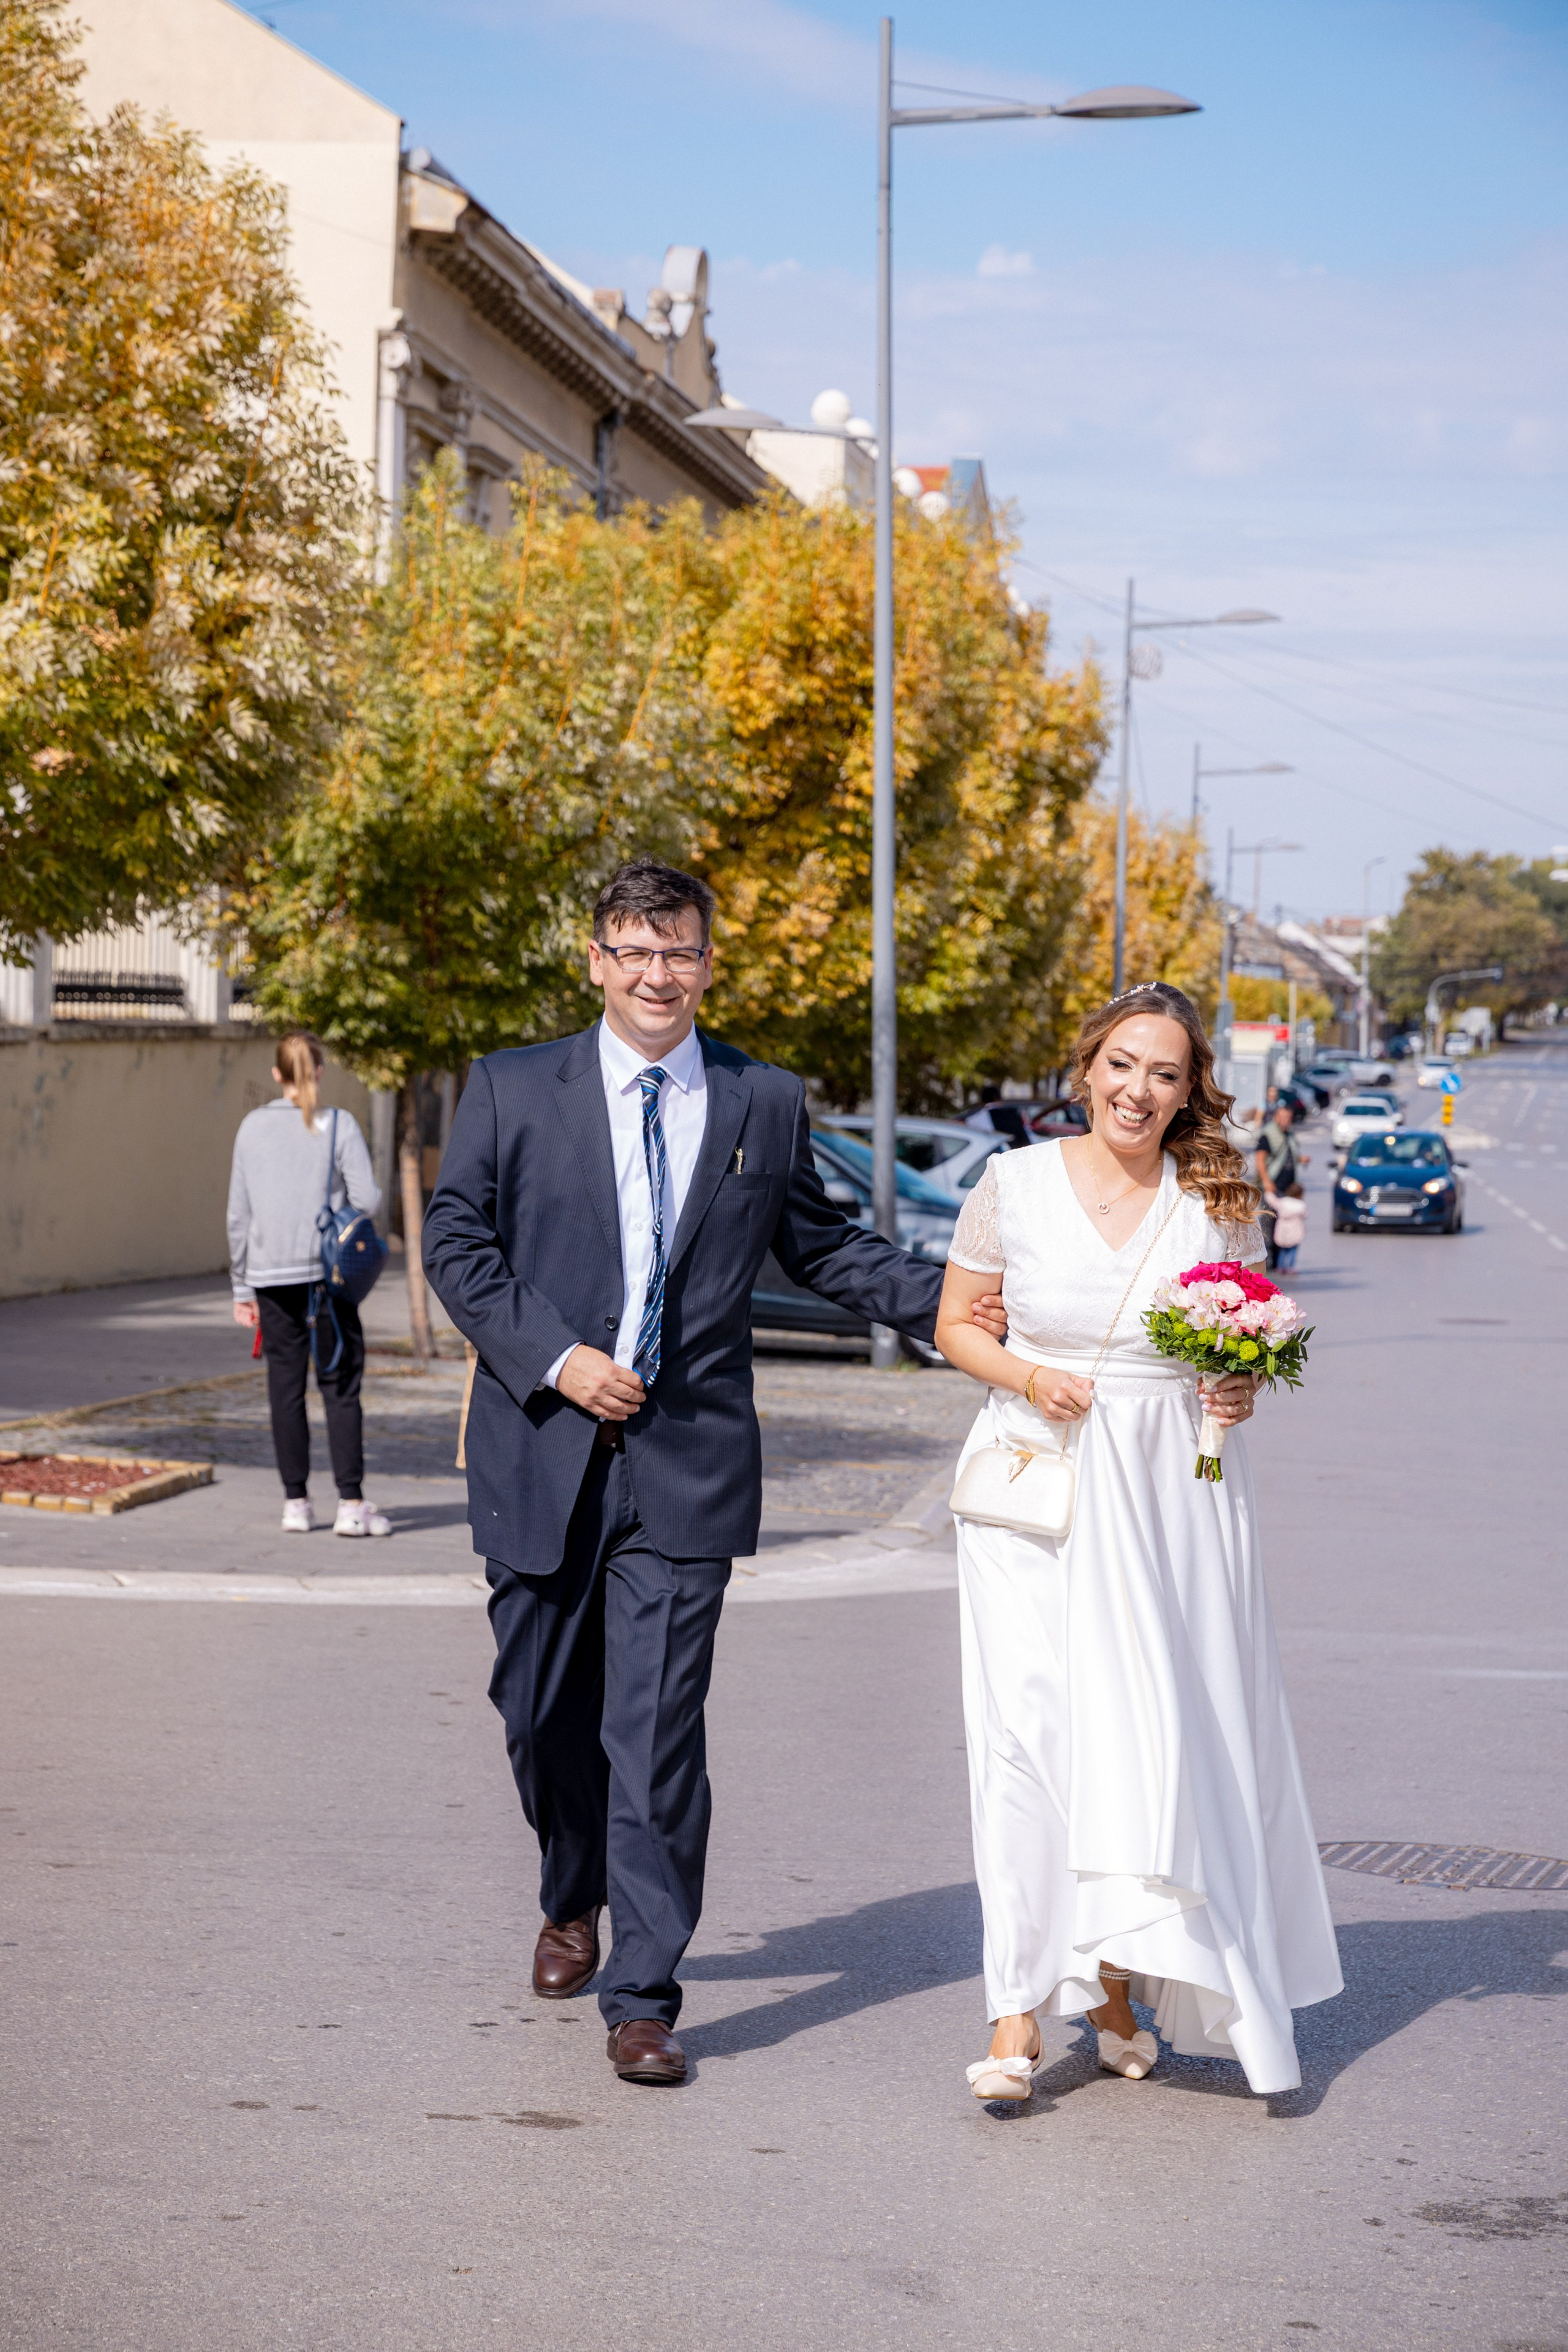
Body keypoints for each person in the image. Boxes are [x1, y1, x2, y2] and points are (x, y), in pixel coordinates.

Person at [422, 858, 982, 2088]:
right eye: (634, 950)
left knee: (657, 1734)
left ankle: (642, 1994)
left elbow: (825, 1247)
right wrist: (557, 1358)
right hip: (541, 1448)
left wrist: (967, 1304)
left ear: (708, 964)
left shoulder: (759, 1099)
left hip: (686, 1466)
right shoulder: (511, 1088)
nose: (657, 973)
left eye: (678, 950)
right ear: (596, 963)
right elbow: (456, 1241)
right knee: (538, 1717)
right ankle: (569, 1889)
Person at [934, 981, 1341, 2103]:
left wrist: (1238, 1384)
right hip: (1036, 1488)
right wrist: (1032, 1377)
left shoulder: (1217, 1198)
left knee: (1145, 1744)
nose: (1138, 1089)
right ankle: (1016, 2009)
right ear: (1087, 1069)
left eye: (1164, 1073)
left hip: (1173, 1494)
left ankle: (1114, 1984)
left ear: (1189, 1088)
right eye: (1122, 1064)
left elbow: (1238, 1341)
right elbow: (956, 1324)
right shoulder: (1012, 1183)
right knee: (1025, 1738)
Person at [228, 1034, 390, 1537]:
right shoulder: (339, 1124)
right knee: (340, 1387)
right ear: (319, 1071)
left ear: (277, 1074)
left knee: (285, 1388)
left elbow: (238, 1214)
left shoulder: (251, 1127)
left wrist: (241, 1288)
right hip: (327, 1278)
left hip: (270, 1277)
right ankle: (351, 1505)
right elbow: (368, 1200)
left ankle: (296, 1503)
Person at [1253, 1101, 1298, 1270]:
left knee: (1284, 1225)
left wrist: (1301, 1159)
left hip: (1288, 1190)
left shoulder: (1289, 1135)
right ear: (1276, 1117)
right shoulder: (1268, 1135)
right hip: (1272, 1188)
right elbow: (1260, 1159)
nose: (1286, 1121)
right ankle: (1268, 1261)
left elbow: (1288, 1154)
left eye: (1289, 1118)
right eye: (1283, 1117)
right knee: (1268, 1223)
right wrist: (1267, 1182)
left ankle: (1279, 1261)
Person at [964, 1082, 1030, 1148]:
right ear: (1000, 1100)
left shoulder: (974, 1120)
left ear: (982, 1102)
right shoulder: (1014, 1114)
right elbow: (1027, 1137)